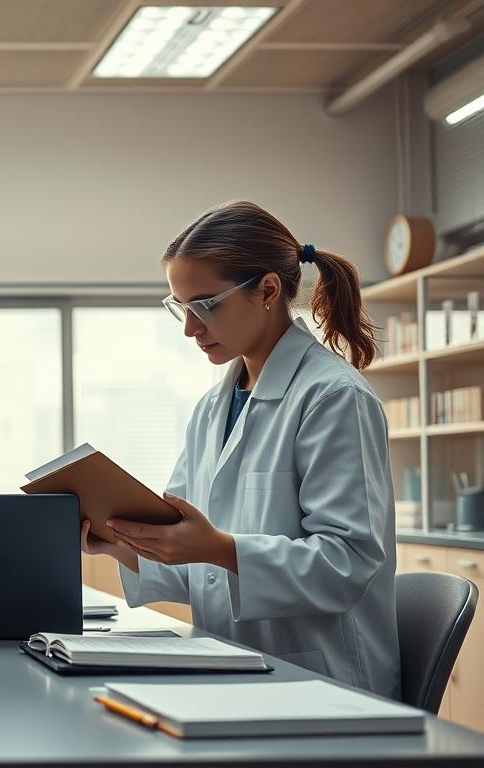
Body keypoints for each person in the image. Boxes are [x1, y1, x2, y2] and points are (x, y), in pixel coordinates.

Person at [84, 200, 397, 697]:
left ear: (267, 291)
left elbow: (347, 564)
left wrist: (219, 548)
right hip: (234, 670)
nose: (190, 328)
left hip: (325, 686)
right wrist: (124, 544)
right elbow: (202, 571)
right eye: (181, 308)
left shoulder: (334, 397)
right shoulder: (212, 409)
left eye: (205, 306)